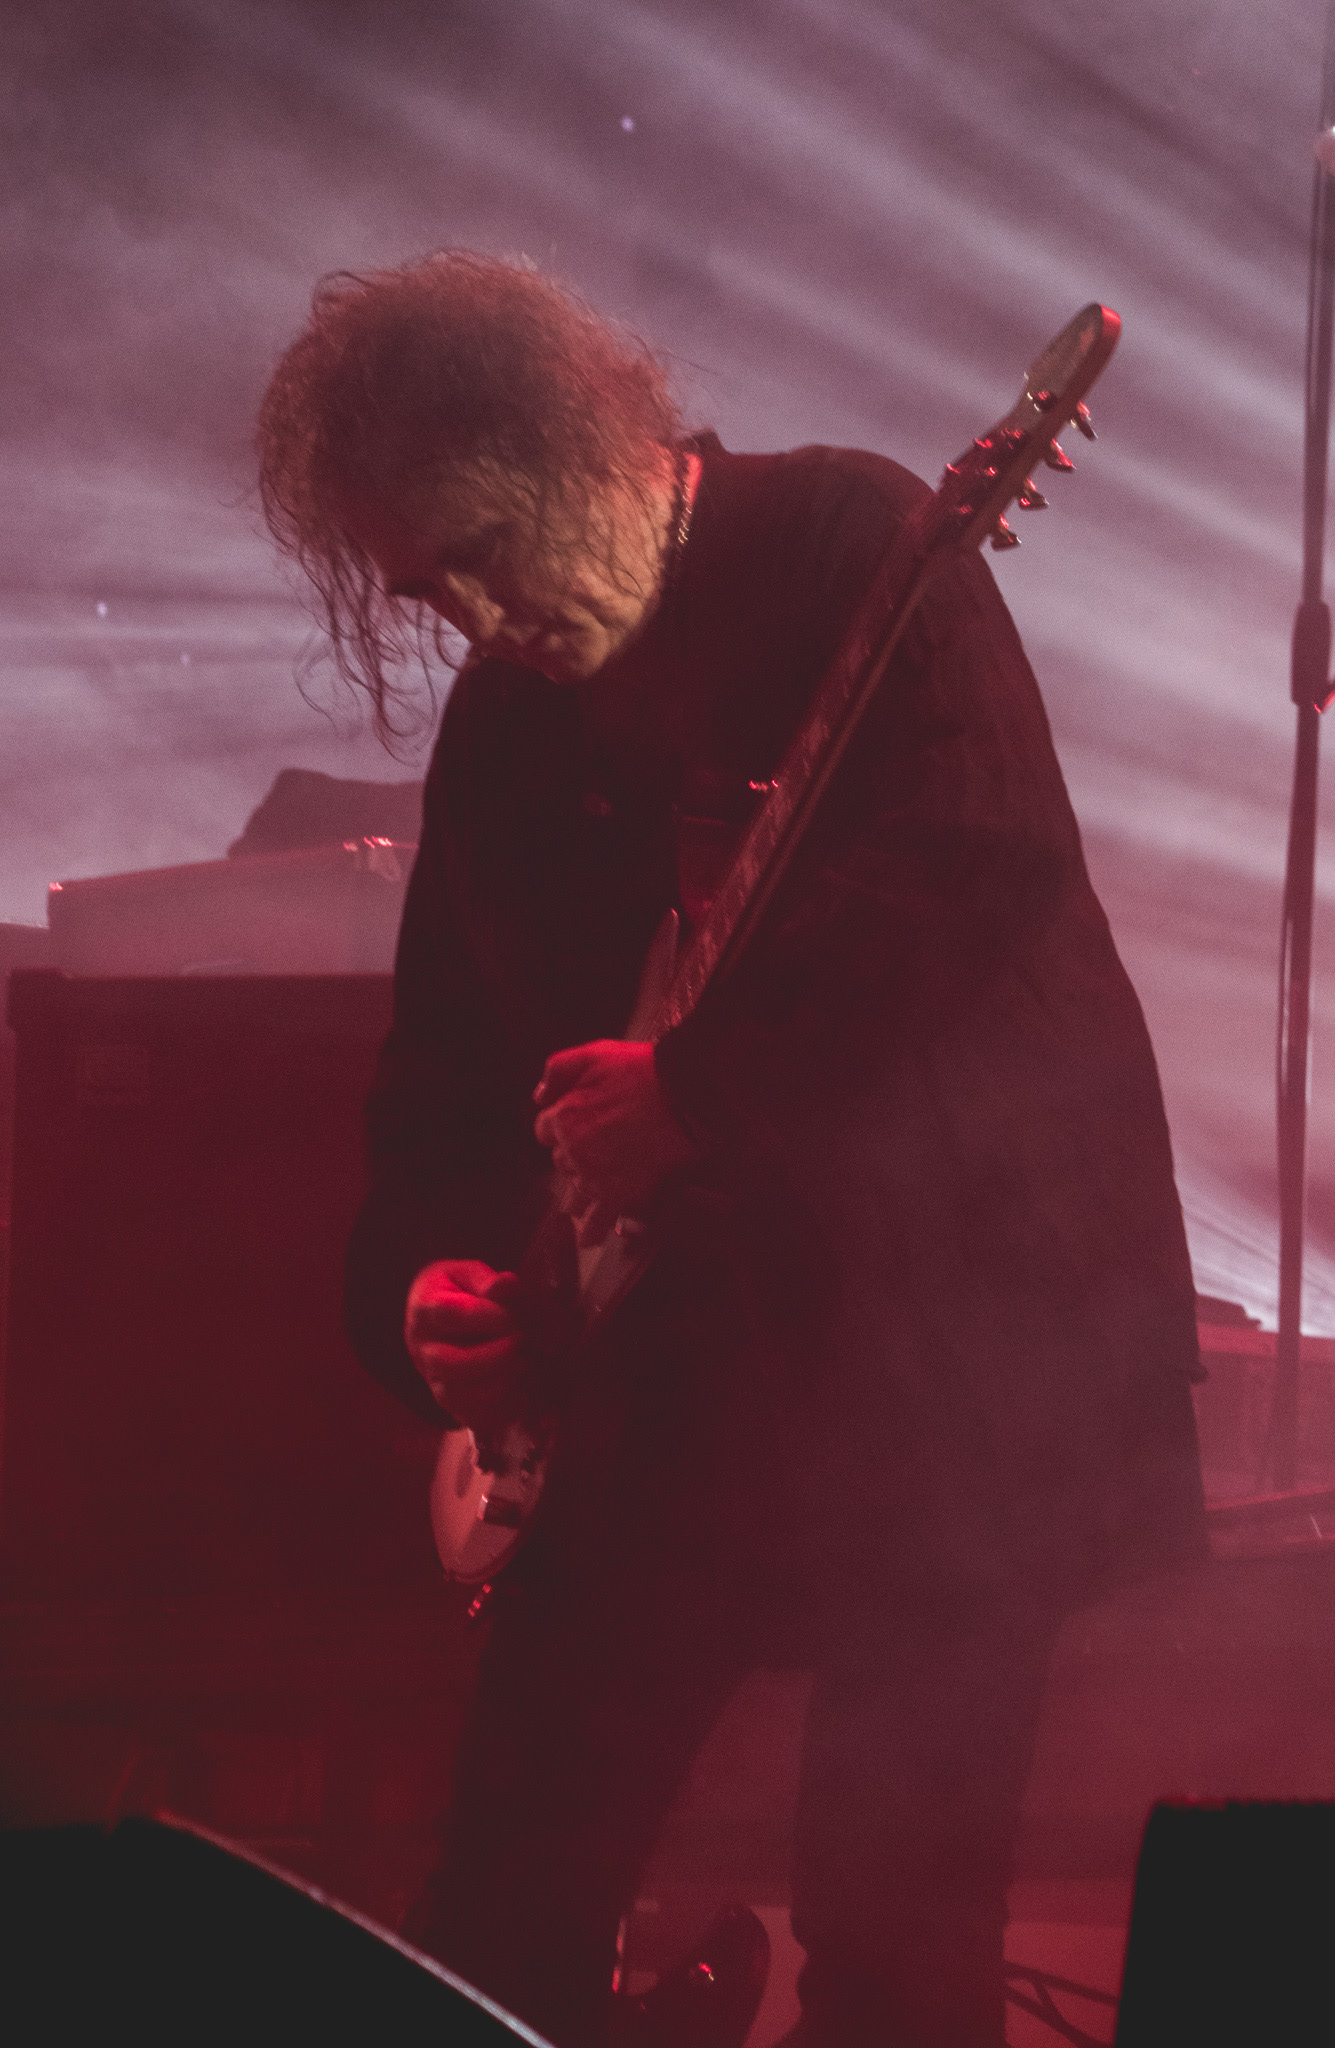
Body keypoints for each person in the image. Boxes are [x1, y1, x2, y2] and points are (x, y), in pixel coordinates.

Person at [257, 251, 1206, 2048]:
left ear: (580, 442)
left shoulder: (850, 549)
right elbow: (438, 1086)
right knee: (498, 1910)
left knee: (901, 1938)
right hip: (660, 1389)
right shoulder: (504, 734)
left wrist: (705, 1097)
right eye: (430, 586)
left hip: (944, 1377)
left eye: (488, 547)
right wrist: (431, 1294)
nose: (480, 616)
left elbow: (978, 870)